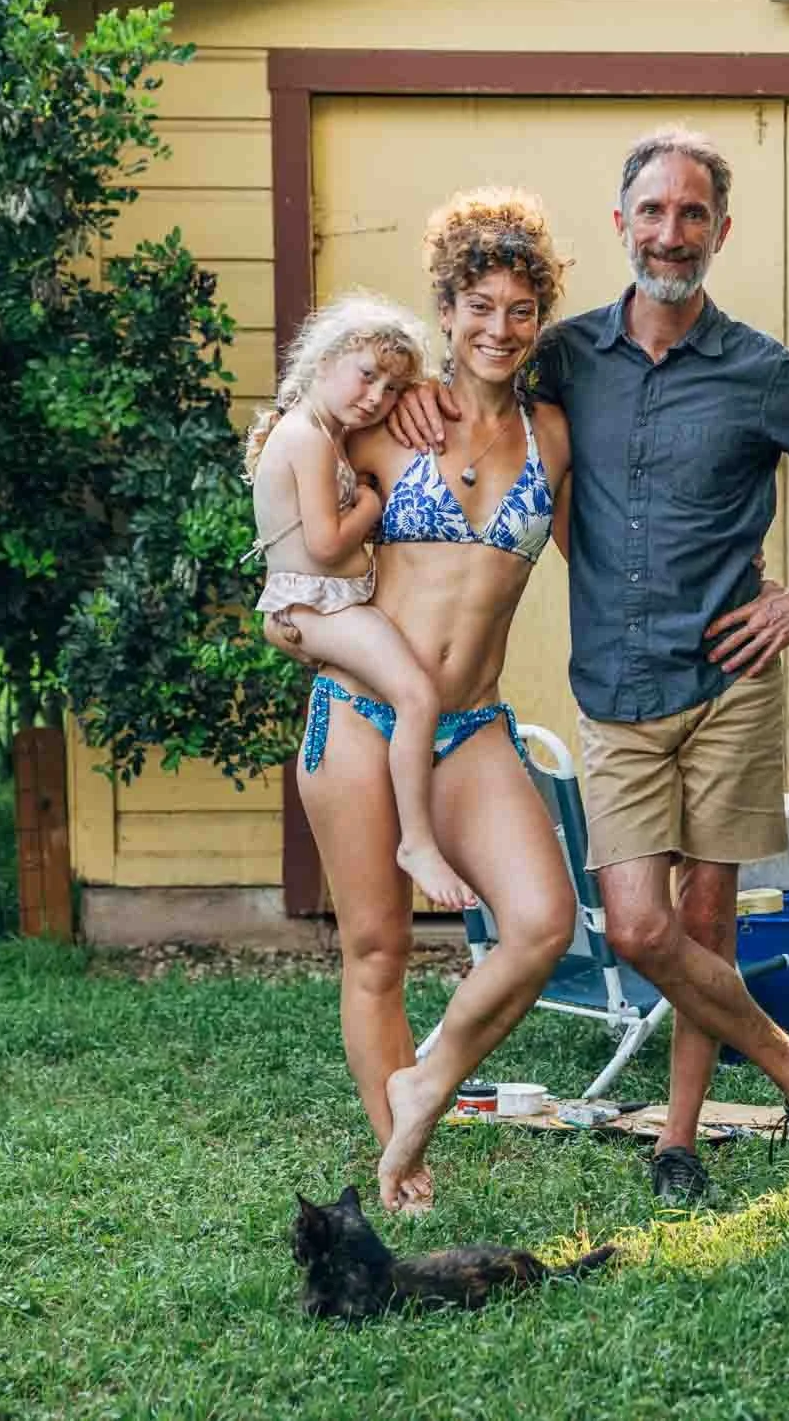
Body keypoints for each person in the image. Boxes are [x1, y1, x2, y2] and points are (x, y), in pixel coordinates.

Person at [395, 127, 789, 1206]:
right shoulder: (567, 353)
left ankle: (676, 1138)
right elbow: (478, 369)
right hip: (616, 683)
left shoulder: (762, 370)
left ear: (719, 231)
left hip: (729, 679)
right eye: (651, 211)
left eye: (691, 214)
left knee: (706, 922)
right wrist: (407, 396)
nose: (669, 232)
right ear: (622, 220)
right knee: (637, 925)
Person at [298, 190, 580, 1212]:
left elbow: (610, 555)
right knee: (376, 945)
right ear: (446, 308)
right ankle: (402, 1155)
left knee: (543, 920)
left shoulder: (553, 436)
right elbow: (284, 495)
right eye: (478, 306)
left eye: (519, 309)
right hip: (361, 715)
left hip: (470, 725)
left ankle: (427, 1078)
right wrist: (296, 616)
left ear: (539, 318)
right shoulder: (390, 415)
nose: (497, 329)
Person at [241, 296, 470, 912]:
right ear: (324, 359)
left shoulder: (317, 430)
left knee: (405, 693)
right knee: (416, 695)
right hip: (319, 609)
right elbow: (327, 546)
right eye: (367, 375)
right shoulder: (310, 440)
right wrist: (370, 501)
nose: (375, 397)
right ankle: (416, 841)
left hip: (313, 605)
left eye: (392, 388)